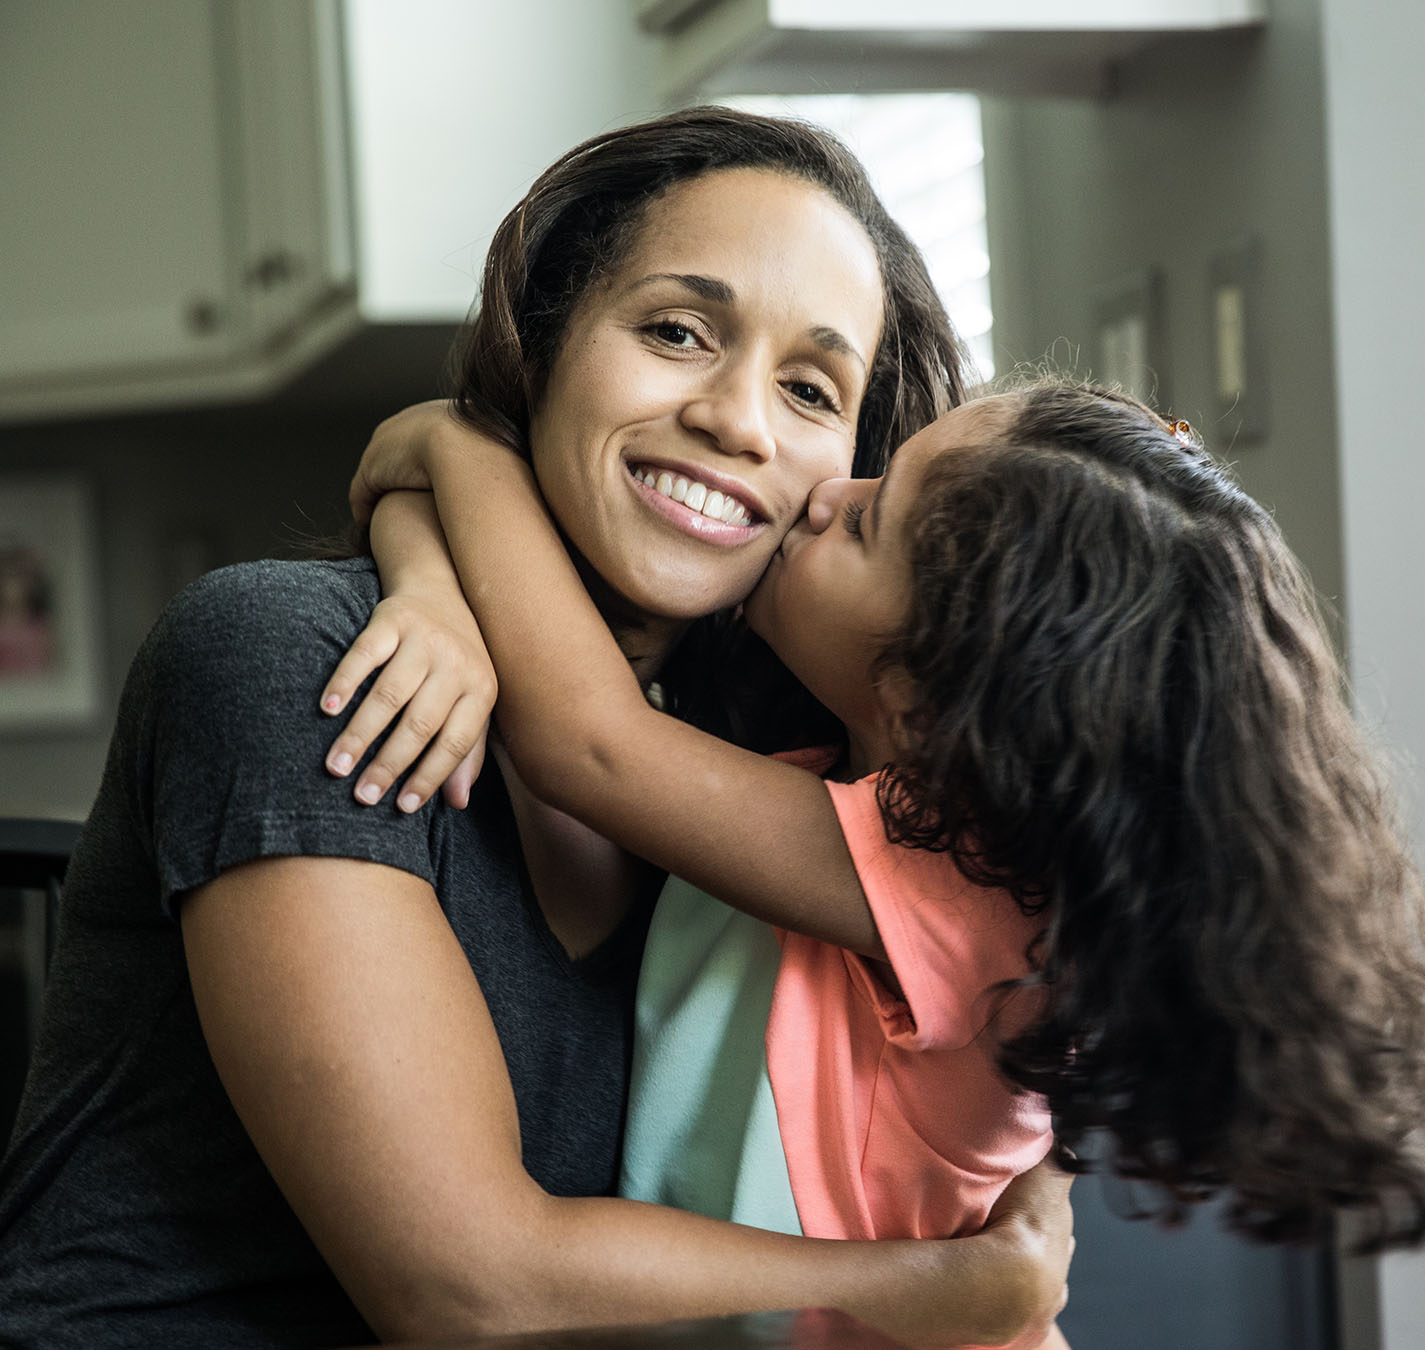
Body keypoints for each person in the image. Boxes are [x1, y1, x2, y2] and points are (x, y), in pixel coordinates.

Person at [0, 108, 1074, 1350]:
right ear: (547, 338)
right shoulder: (296, 659)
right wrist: (932, 1284)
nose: (741, 420)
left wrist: (434, 499)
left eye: (809, 388)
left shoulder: (760, 782)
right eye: (677, 331)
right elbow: (459, 1292)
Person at [326, 378, 1425, 1262]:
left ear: (922, 698)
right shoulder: (867, 801)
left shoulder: (955, 885)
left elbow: (587, 743)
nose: (818, 495)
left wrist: (455, 439)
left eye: (862, 522)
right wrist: (423, 563)